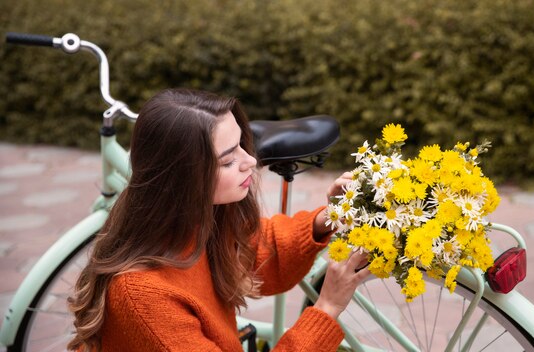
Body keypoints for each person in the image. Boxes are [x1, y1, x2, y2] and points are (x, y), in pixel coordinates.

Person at [67, 88, 370, 351]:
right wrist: (327, 307)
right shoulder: (144, 298)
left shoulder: (194, 221)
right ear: (183, 178)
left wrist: (329, 218)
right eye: (227, 160)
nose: (250, 161)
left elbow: (258, 251)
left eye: (242, 145)